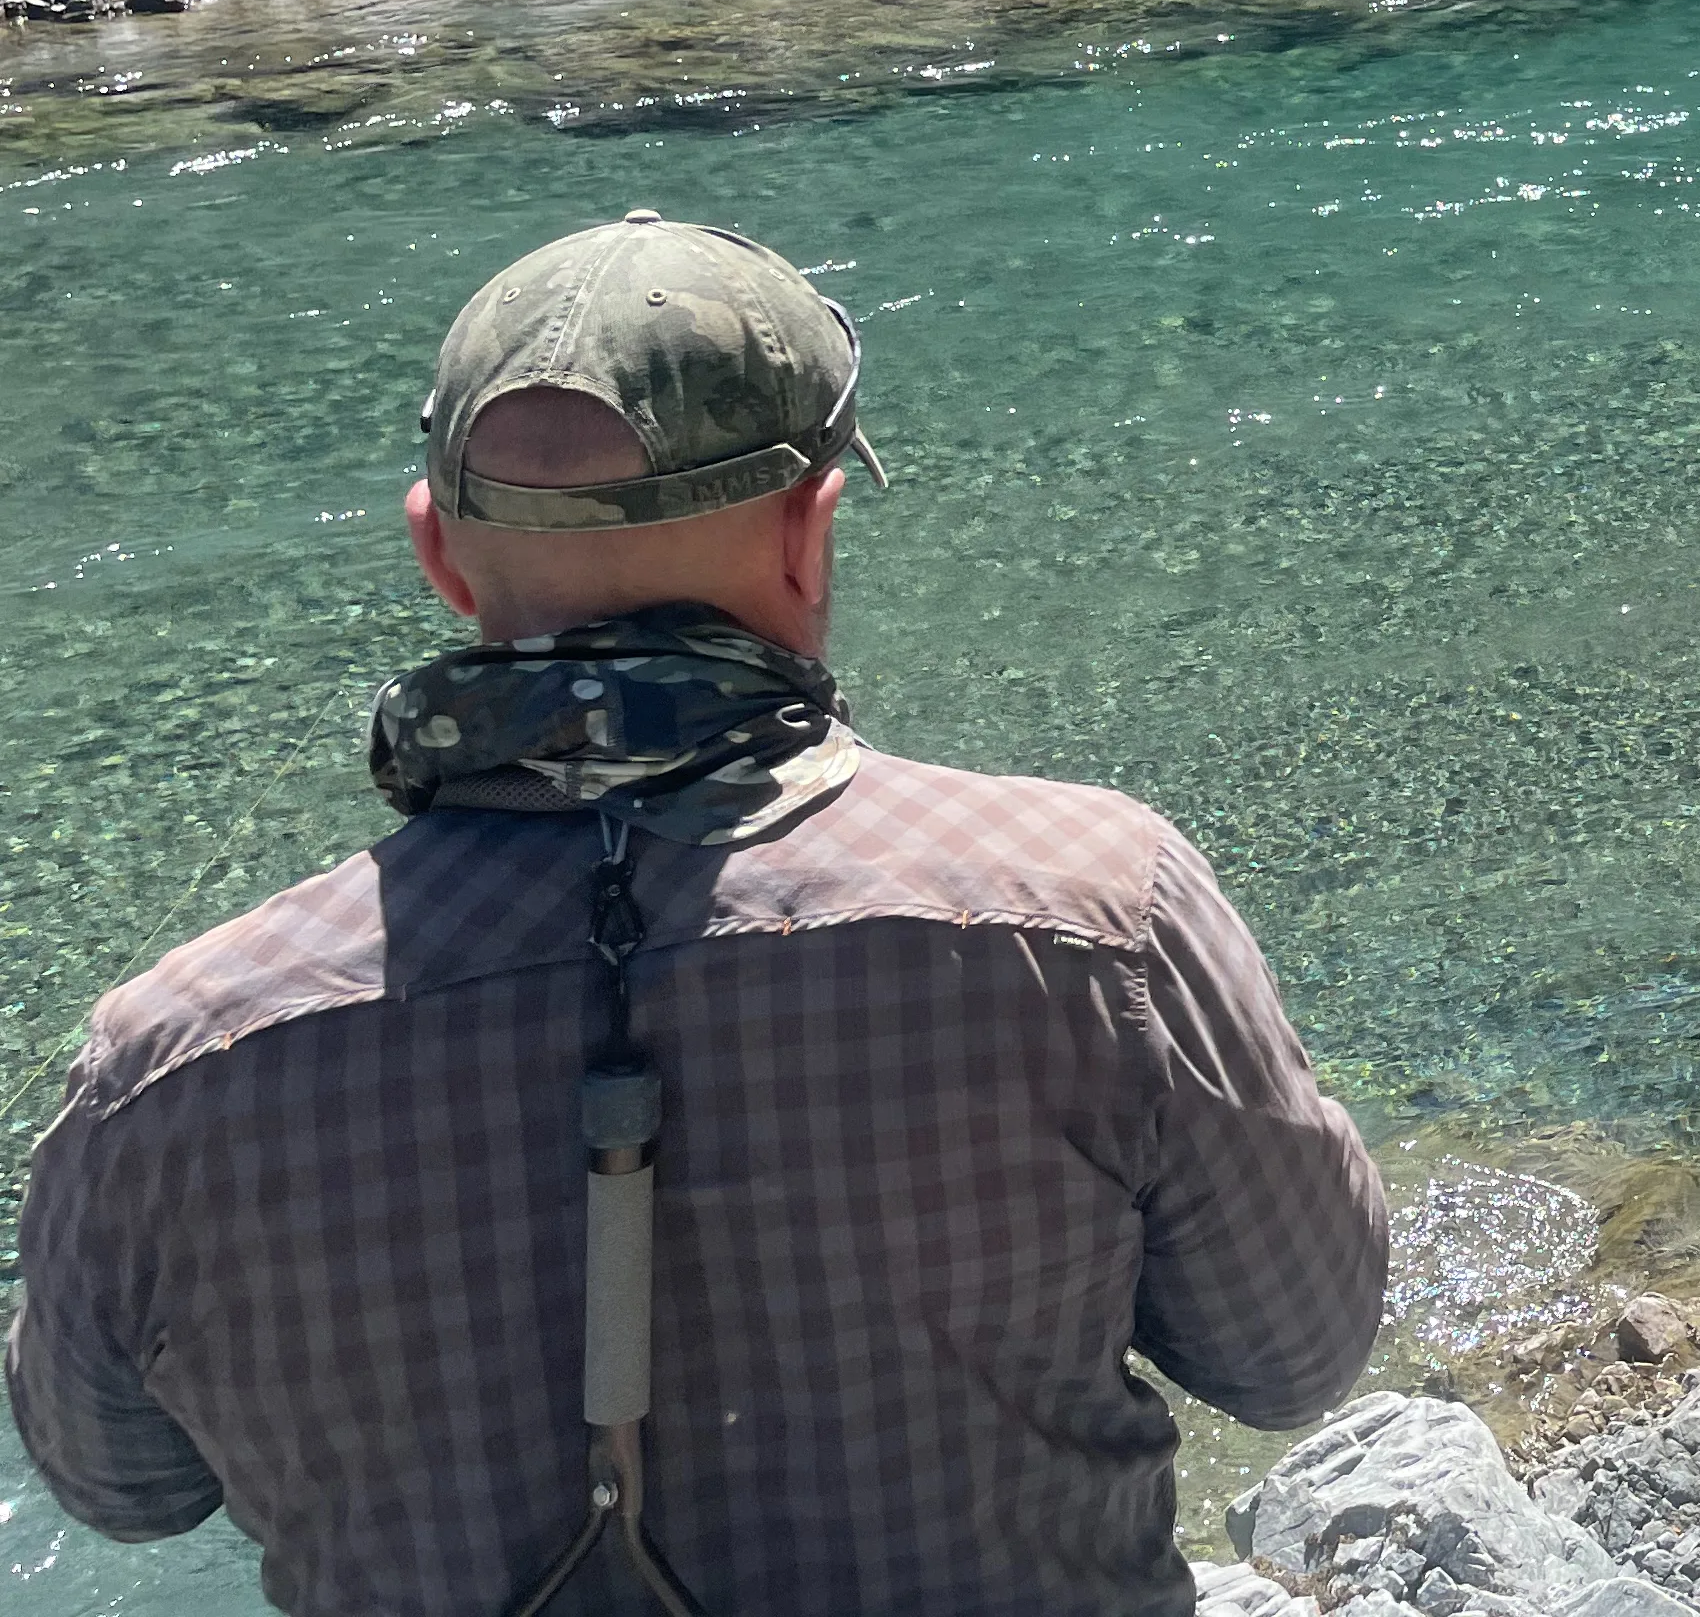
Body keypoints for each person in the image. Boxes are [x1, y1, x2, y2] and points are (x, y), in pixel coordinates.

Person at [7, 210, 1386, 1617]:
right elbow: (1292, 1359)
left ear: (440, 553)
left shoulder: (169, 1058)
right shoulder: (1094, 911)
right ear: (810, 530)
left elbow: (117, 1490)